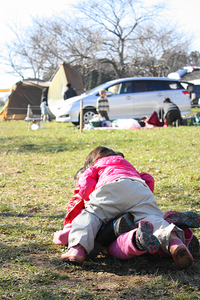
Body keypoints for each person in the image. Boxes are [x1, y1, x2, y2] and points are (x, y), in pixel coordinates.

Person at [59, 146, 196, 269]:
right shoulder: (128, 166)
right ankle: (175, 242)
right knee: (153, 219)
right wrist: (142, 201)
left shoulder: (96, 167)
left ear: (91, 162)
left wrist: (89, 197)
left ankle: (77, 249)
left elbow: (85, 184)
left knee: (90, 216)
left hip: (110, 189)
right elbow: (148, 178)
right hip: (138, 188)